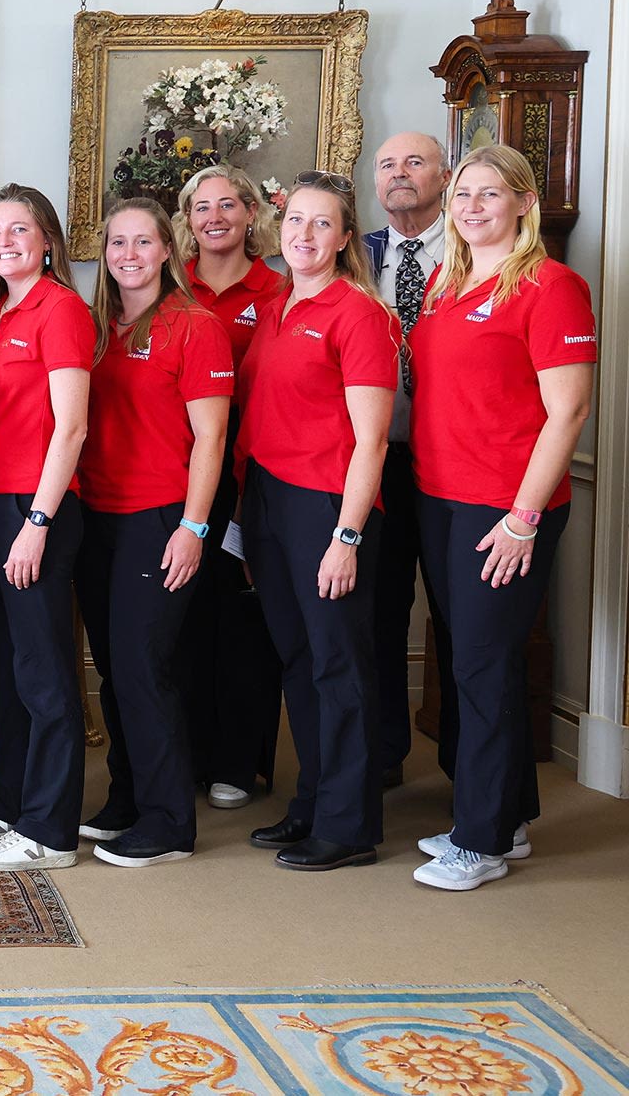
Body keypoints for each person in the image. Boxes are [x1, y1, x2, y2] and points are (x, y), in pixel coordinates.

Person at [408, 144, 594, 891]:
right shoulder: (447, 287)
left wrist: (522, 516)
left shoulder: (553, 287)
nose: (474, 206)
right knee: (470, 659)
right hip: (441, 497)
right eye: (463, 194)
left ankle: (478, 839)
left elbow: (569, 409)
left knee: (483, 663)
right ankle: (507, 815)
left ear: (524, 202)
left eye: (492, 193)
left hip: (505, 507)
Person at [234, 170, 397, 872]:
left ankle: (349, 822)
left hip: (329, 505)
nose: (303, 234)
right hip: (271, 500)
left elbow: (373, 439)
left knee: (338, 664)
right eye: (295, 220)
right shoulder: (274, 306)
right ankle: (312, 801)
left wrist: (347, 536)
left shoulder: (357, 313)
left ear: (343, 237)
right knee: (298, 662)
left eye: (321, 223)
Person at [74, 199, 232, 868]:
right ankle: (129, 794)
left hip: (161, 515)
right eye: (117, 242)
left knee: (145, 667)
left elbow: (212, 437)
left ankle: (169, 820)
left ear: (169, 249)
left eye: (143, 242)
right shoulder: (95, 324)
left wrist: (194, 527)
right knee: (113, 668)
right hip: (96, 515)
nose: (128, 254)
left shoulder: (194, 326)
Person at [0, 184, 92, 873]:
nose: (3, 240)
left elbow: (71, 426)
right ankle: (10, 802)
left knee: (43, 671)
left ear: (48, 238)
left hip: (39, 510)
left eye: (18, 228)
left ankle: (52, 828)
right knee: (4, 667)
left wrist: (37, 520)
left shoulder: (60, 309)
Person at [175, 164, 282, 810]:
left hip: (249, 465)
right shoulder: (170, 287)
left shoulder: (275, 289)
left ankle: (239, 761)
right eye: (200, 207)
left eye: (227, 205)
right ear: (186, 220)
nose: (213, 216)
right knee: (184, 614)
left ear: (250, 213)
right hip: (180, 468)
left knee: (242, 618)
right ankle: (188, 749)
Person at [366, 132, 457, 788]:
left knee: (458, 617)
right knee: (377, 612)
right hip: (375, 462)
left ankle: (466, 766)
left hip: (457, 462)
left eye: (415, 162)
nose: (400, 174)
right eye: (387, 164)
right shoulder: (357, 255)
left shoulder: (475, 254)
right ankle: (383, 754)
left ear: (446, 176)